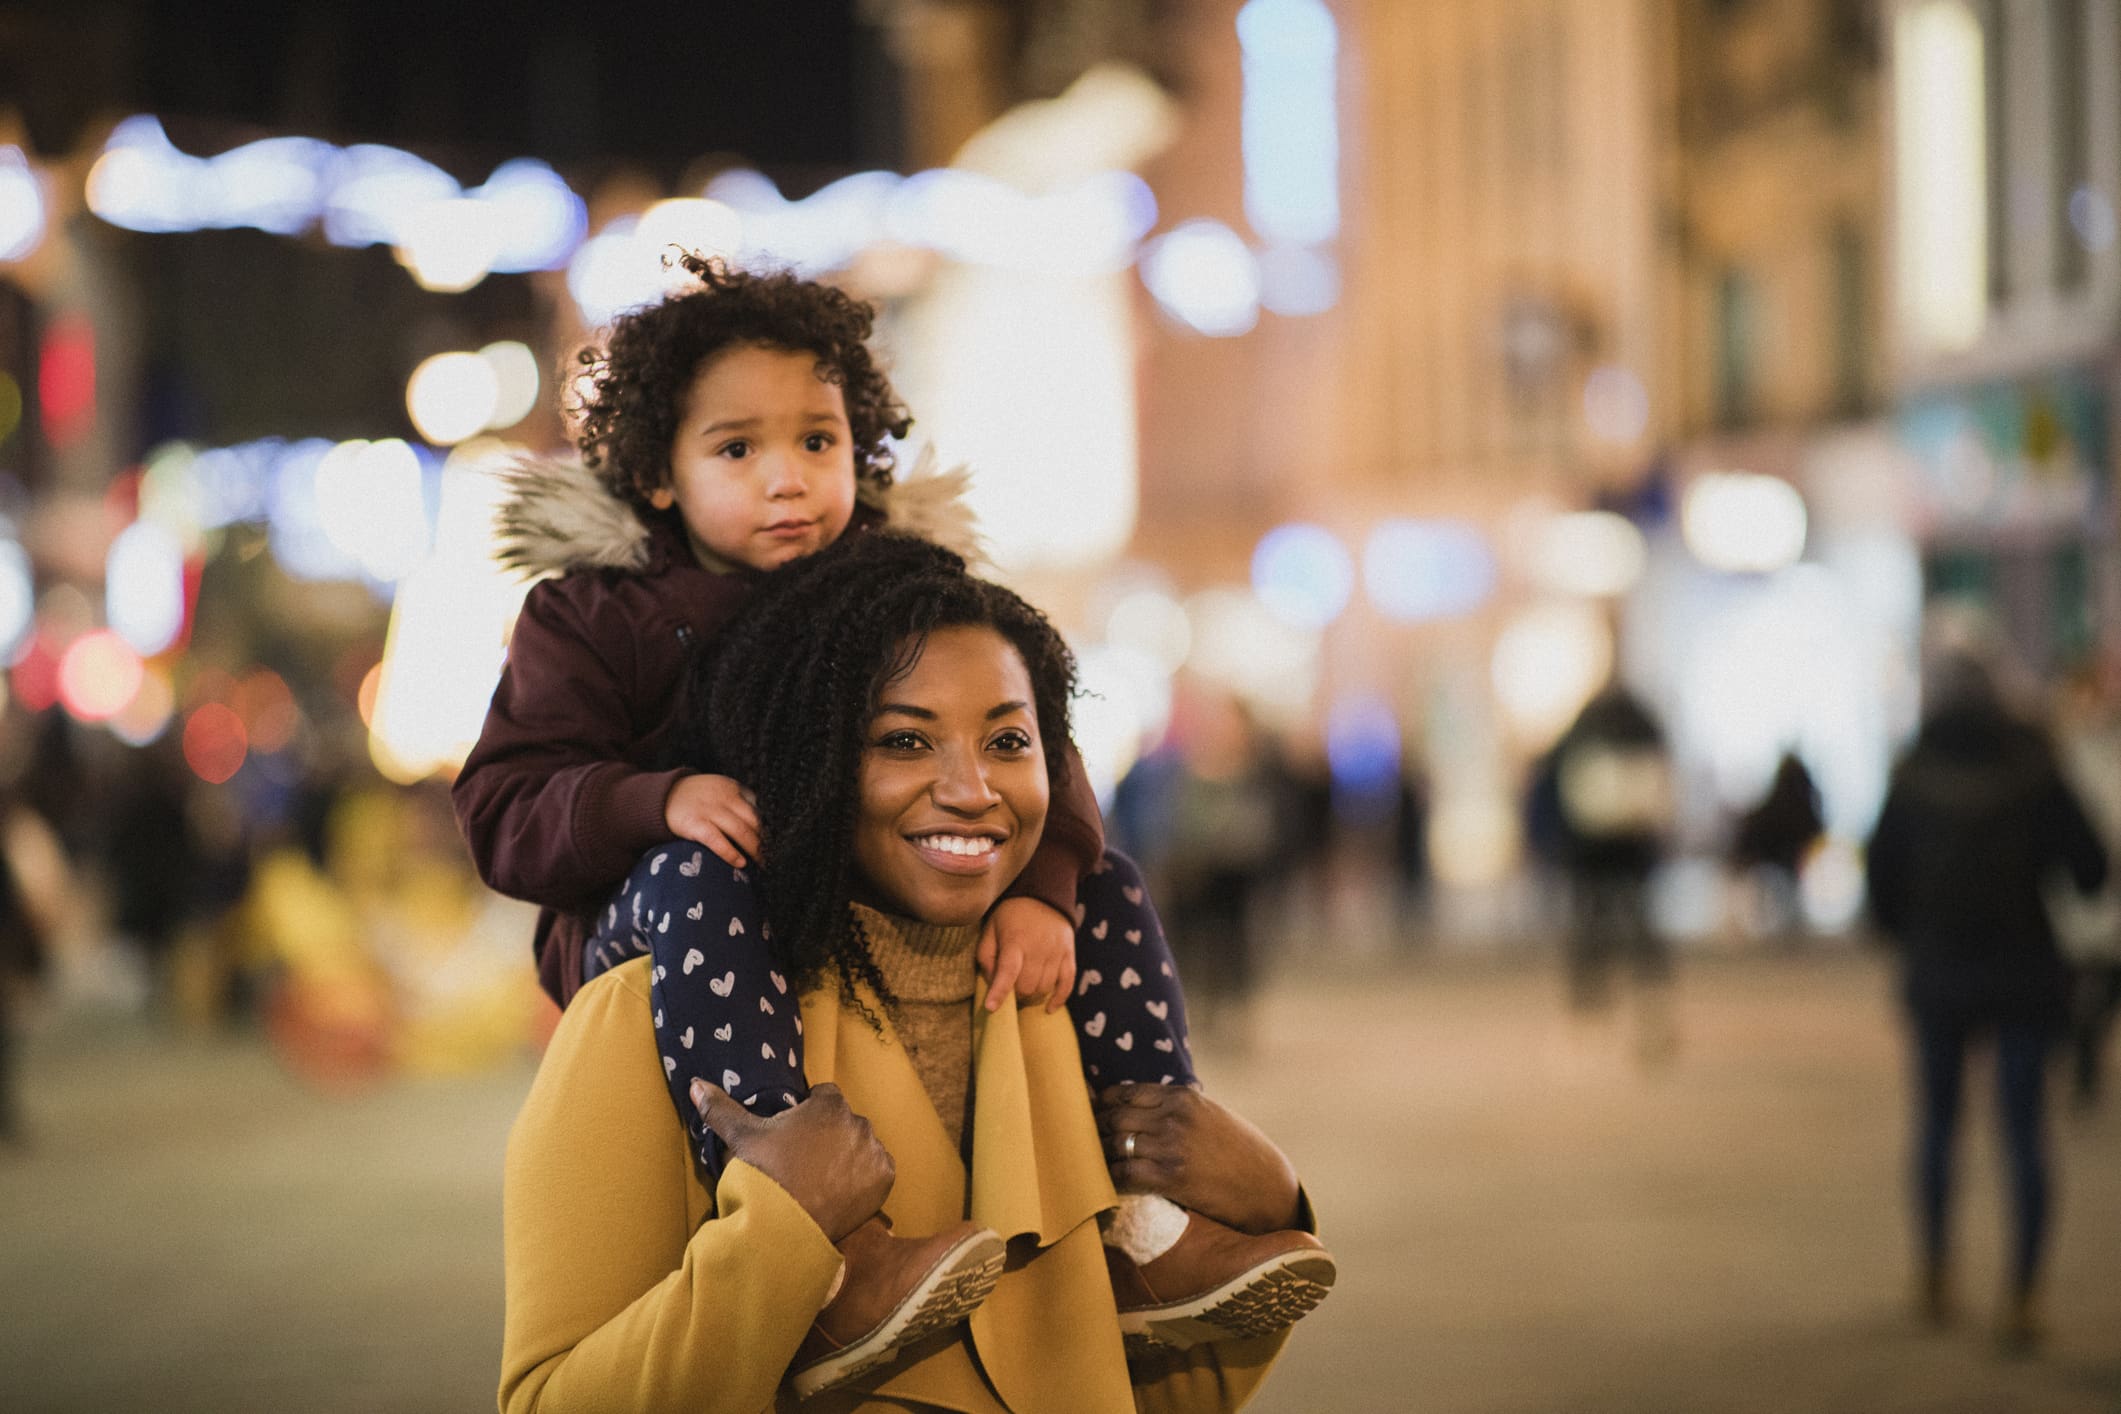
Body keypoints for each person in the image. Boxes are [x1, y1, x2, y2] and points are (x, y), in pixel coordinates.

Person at [460, 261, 1315, 1396]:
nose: (787, 483)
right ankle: (825, 1240)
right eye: (736, 450)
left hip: (888, 946)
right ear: (657, 477)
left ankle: (1152, 1217)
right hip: (668, 933)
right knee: (693, 873)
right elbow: (506, 801)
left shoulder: (905, 594)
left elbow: (1149, 1391)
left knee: (1101, 880)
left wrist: (1045, 892)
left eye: (818, 442)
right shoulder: (595, 615)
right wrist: (649, 799)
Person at [1866, 651, 2107, 1351]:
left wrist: (1911, 933)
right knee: (2023, 1132)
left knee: (1938, 1127)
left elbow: (1879, 889)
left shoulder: (1910, 775)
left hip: (1939, 973)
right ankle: (2022, 1294)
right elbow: (2090, 870)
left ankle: (1935, 1274)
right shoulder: (2037, 769)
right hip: (2025, 975)